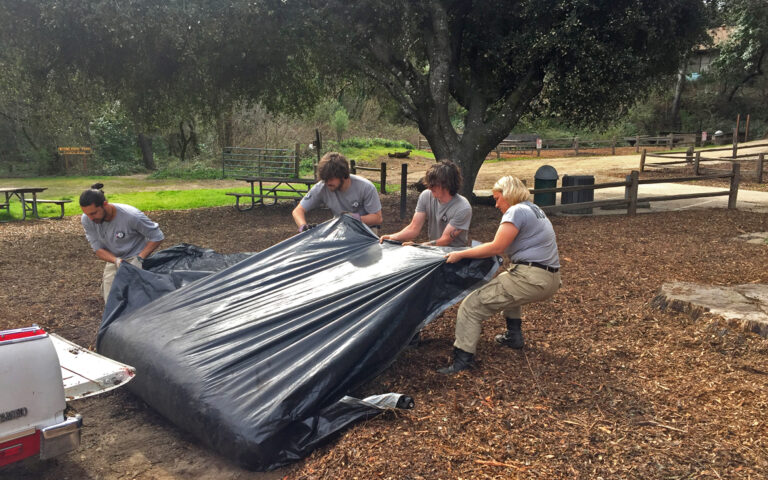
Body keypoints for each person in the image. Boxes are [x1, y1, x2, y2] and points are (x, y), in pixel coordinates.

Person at [438, 176, 561, 375]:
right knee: (509, 281)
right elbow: (503, 245)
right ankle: (514, 337)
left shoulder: (516, 210)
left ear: (508, 194)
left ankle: (462, 360)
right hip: (550, 278)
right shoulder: (534, 209)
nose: (496, 204)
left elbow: (497, 247)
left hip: (531, 277)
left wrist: (460, 254)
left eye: (497, 198)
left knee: (471, 307)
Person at [80, 183, 164, 302]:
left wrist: (140, 258)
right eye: (87, 214)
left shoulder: (132, 216)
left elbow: (157, 236)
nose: (91, 218)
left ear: (105, 204)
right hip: (115, 259)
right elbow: (98, 249)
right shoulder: (87, 219)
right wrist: (116, 261)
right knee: (111, 300)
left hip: (137, 257)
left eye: (93, 213)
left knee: (139, 299)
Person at [380, 160, 471, 247]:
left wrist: (419, 246)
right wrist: (392, 237)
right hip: (432, 250)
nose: (430, 187)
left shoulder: (463, 207)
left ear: (447, 184)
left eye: (434, 184)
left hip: (455, 254)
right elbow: (414, 228)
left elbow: (445, 240)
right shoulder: (426, 195)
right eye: (429, 183)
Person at [292, 152, 383, 232]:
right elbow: (298, 211)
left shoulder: (366, 187)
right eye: (325, 179)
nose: (327, 183)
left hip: (366, 230)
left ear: (343, 175)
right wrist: (303, 227)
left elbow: (378, 218)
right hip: (340, 229)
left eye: (331, 179)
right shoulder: (322, 187)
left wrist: (354, 218)